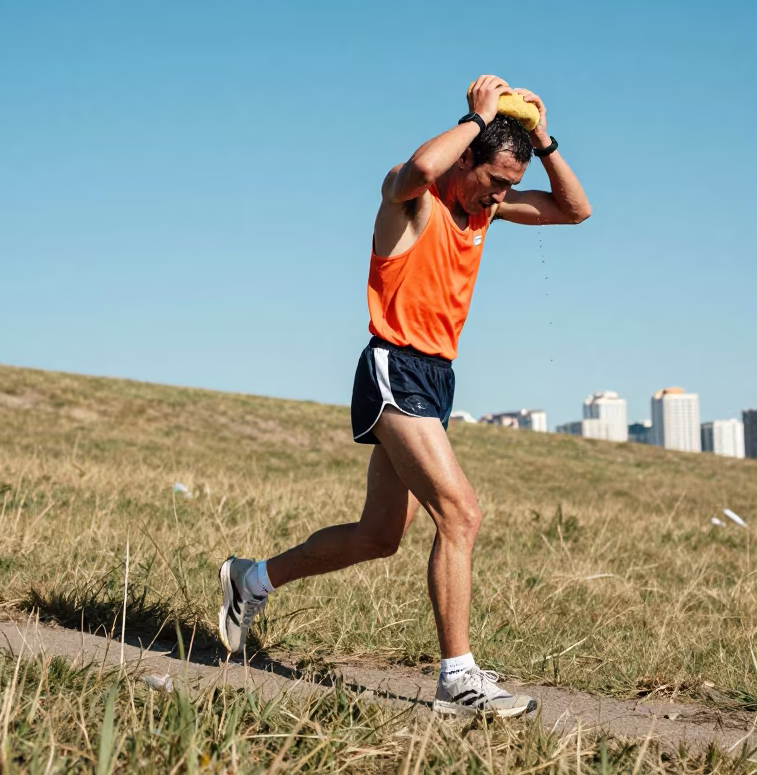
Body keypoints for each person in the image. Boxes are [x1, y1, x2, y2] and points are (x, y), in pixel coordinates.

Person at [218, 75, 592, 717]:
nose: (502, 195)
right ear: (467, 155)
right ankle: (458, 677)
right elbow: (419, 166)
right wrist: (477, 118)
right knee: (462, 515)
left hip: (437, 379)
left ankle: (249, 579)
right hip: (394, 366)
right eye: (495, 180)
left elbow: (575, 209)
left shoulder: (484, 209)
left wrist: (543, 138)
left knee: (379, 535)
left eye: (510, 183)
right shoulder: (413, 200)